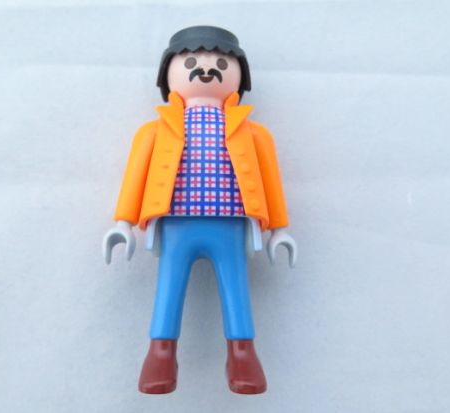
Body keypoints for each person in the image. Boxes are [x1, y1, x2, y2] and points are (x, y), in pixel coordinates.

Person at [103, 26, 297, 394]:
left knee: (235, 286)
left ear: (239, 75)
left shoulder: (255, 134)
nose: (205, 70)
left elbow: (270, 180)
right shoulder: (153, 132)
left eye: (221, 64)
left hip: (231, 224)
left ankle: (242, 353)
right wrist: (123, 223)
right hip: (175, 223)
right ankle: (161, 353)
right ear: (168, 75)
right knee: (169, 284)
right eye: (191, 63)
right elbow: (135, 176)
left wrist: (279, 229)